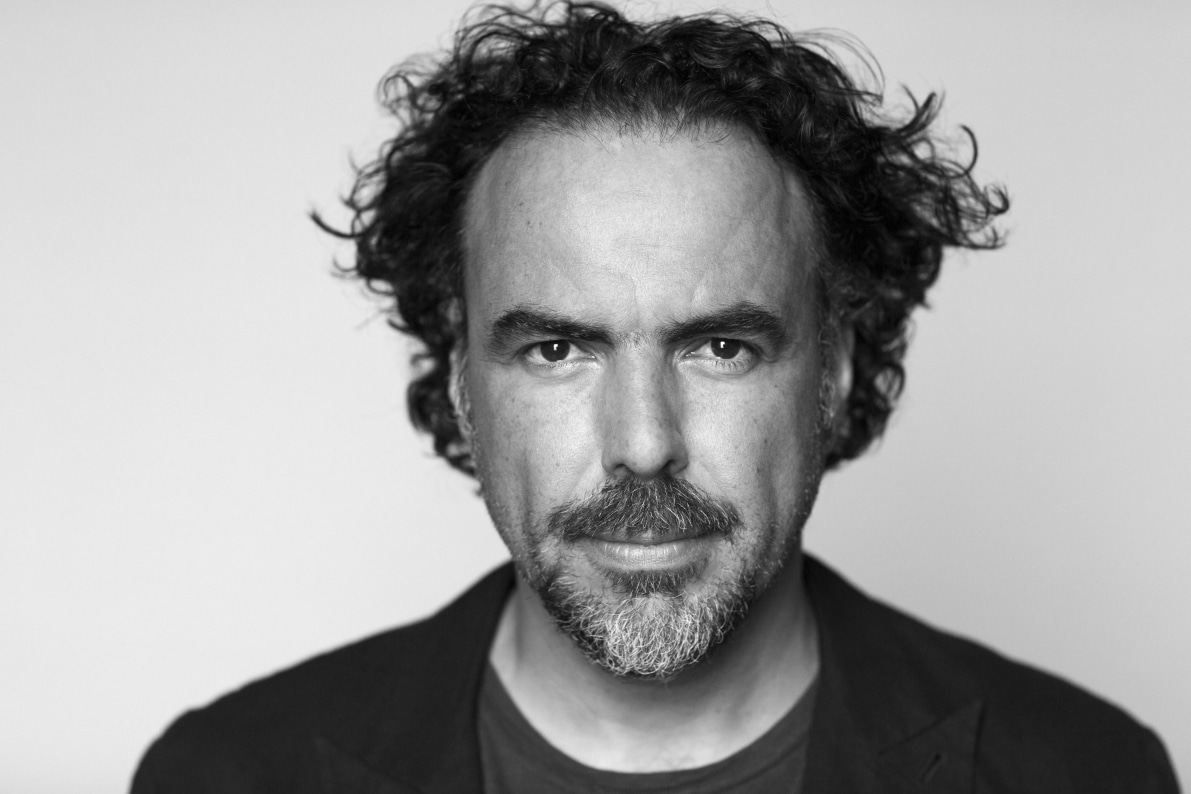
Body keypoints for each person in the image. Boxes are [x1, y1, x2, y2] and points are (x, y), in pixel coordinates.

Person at [131, 2, 1179, 791]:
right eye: (555, 349)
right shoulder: (226, 773)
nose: (642, 442)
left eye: (720, 346)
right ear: (458, 381)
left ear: (835, 370)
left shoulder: (1084, 770)